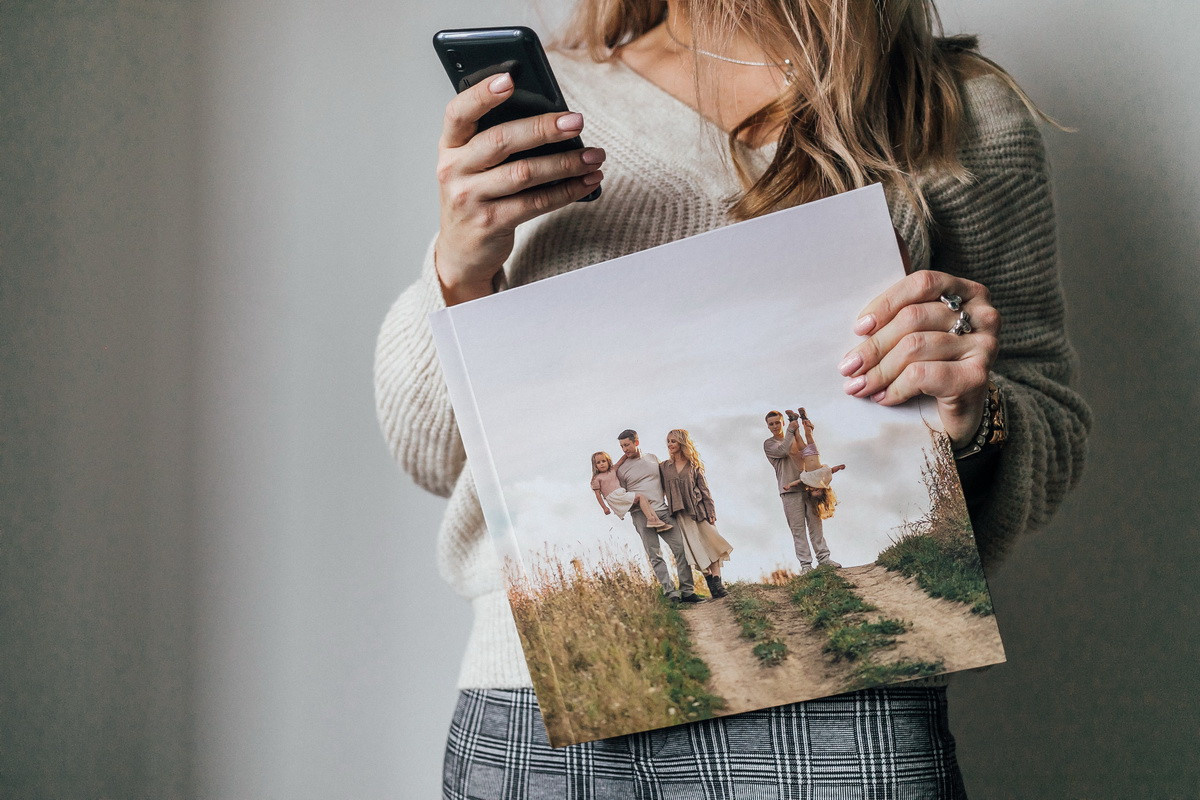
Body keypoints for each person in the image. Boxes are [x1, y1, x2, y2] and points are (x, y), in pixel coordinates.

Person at [375, 0, 1091, 796]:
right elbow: (431, 453)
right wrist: (458, 270)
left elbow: (1048, 419)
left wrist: (968, 412)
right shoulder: (551, 104)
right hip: (541, 705)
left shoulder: (951, 110)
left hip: (845, 710)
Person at [612, 429, 702, 604]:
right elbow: (620, 493)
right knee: (655, 554)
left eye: (627, 445)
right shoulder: (621, 470)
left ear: (636, 442)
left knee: (681, 549)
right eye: (622, 446)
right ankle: (671, 593)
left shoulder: (653, 458)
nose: (624, 449)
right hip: (640, 515)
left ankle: (687, 591)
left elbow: (666, 481)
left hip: (663, 511)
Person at [764, 410, 842, 570]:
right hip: (789, 491)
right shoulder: (769, 444)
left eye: (777, 422)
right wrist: (792, 430)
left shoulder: (793, 438)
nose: (774, 426)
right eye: (771, 424)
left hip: (809, 488)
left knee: (816, 525)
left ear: (782, 422)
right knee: (798, 529)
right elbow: (783, 451)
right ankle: (806, 565)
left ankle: (824, 559)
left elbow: (811, 456)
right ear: (767, 426)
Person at [660, 428, 733, 598]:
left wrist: (711, 511)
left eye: (674, 441)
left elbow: (705, 490)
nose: (670, 444)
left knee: (712, 545)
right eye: (668, 441)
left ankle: (718, 584)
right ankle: (711, 583)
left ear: (682, 443)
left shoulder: (694, 465)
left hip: (699, 511)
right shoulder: (664, 467)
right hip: (680, 515)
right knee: (694, 551)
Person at [782, 409, 845, 519]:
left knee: (798, 438)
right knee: (809, 435)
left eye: (814, 491)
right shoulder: (823, 479)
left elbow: (799, 481)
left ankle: (793, 419)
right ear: (823, 491)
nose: (815, 489)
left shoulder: (808, 481)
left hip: (804, 454)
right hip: (813, 452)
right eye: (818, 490)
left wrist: (789, 485)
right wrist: (839, 467)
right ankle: (805, 418)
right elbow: (831, 470)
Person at [590, 450, 673, 530]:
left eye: (603, 461)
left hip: (621, 494)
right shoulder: (597, 479)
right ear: (595, 466)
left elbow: (621, 460)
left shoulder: (612, 470)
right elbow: (598, 495)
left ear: (608, 461)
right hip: (615, 497)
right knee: (640, 497)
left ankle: (656, 521)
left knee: (643, 500)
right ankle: (651, 520)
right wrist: (604, 508)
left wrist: (630, 452)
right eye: (598, 462)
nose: (602, 464)